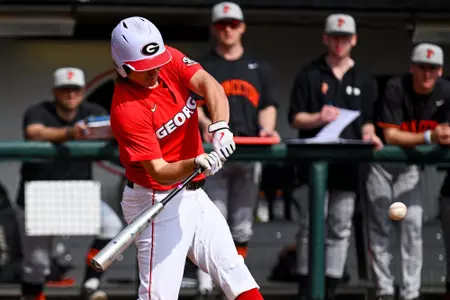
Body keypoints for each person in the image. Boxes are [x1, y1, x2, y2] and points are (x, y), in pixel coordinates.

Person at [109, 16, 264, 300]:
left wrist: (219, 125)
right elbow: (158, 170)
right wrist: (195, 162)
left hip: (193, 195)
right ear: (124, 68)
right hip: (155, 199)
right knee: (159, 295)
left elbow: (209, 84)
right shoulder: (126, 109)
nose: (155, 70)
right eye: (145, 69)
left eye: (157, 62)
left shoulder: (165, 58)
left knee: (237, 276)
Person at [288, 13, 382, 300]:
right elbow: (295, 118)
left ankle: (330, 287)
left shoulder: (364, 78)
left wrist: (370, 134)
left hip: (347, 166)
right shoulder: (310, 73)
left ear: (353, 40)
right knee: (309, 226)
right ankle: (306, 286)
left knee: (340, 228)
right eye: (334, 37)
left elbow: (367, 120)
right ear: (325, 38)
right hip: (312, 166)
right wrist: (318, 117)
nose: (339, 43)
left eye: (344, 37)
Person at [17, 67, 124, 300]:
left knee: (112, 227)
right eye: (65, 90)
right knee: (37, 264)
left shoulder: (91, 111)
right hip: (39, 193)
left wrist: (109, 132)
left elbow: (115, 128)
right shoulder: (39, 110)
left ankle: (91, 282)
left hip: (78, 191)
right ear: (55, 91)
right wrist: (70, 133)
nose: (71, 95)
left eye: (75, 89)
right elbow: (34, 133)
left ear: (83, 91)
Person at [195, 2, 279, 296]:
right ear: (214, 28)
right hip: (215, 151)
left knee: (242, 224)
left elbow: (267, 105)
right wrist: (208, 126)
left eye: (232, 24)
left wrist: (267, 127)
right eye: (222, 25)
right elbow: (195, 108)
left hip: (248, 148)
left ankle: (236, 283)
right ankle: (207, 285)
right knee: (212, 218)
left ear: (242, 26)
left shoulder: (259, 65)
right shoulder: (204, 65)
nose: (227, 29)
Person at [371, 43, 450, 300]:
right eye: (422, 67)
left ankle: (410, 294)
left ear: (440, 71)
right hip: (381, 165)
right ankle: (384, 290)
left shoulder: (446, 91)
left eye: (433, 68)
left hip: (410, 167)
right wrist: (429, 136)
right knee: (381, 229)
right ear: (412, 68)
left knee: (413, 226)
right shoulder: (396, 87)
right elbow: (391, 135)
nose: (427, 74)